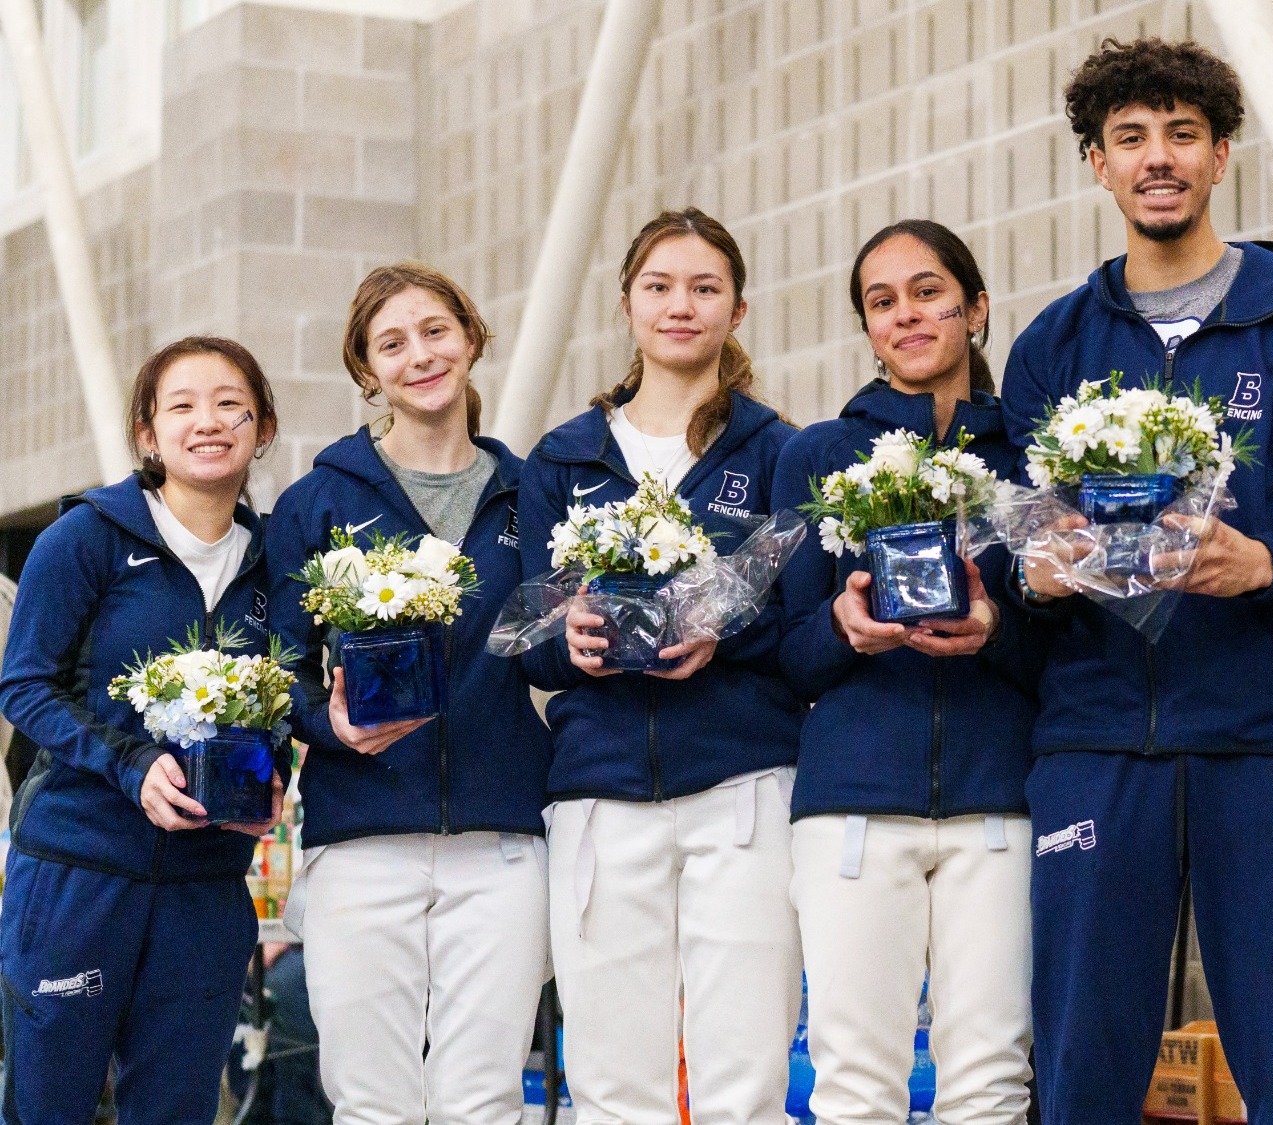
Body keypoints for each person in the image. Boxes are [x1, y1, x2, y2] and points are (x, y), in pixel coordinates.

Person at [1000, 37, 1273, 1125]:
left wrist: (1264, 562)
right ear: (1095, 164)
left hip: (1261, 732)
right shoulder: (1052, 343)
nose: (1155, 158)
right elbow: (1018, 535)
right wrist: (1037, 571)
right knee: (1078, 1067)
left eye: (1178, 135)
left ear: (1219, 155)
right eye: (1129, 139)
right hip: (1093, 737)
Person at [518, 207, 805, 1124]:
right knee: (610, 1086)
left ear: (739, 308)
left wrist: (728, 634)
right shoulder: (565, 457)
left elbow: (798, 621)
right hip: (602, 792)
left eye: (705, 287)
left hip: (743, 784)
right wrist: (575, 642)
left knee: (746, 1077)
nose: (681, 305)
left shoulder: (778, 450)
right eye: (660, 286)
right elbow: (529, 628)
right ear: (628, 305)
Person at [265, 263, 553, 1125]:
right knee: (371, 1101)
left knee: (485, 1097)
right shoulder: (316, 502)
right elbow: (279, 672)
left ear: (471, 338)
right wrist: (331, 724)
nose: (419, 355)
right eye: (392, 343)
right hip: (362, 839)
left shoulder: (531, 494)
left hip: (504, 839)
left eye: (435, 331)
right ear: (367, 371)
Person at [774, 220, 1040, 1125]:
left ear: (976, 307)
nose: (906, 314)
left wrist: (996, 628)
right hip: (852, 805)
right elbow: (784, 648)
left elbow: (1072, 641)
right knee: (854, 1082)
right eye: (881, 302)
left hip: (999, 802)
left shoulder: (1030, 456)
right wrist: (845, 629)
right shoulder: (815, 455)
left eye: (927, 291)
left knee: (992, 1080)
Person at [0, 337, 284, 1124]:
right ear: (149, 435)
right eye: (182, 405)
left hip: (204, 888)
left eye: (231, 402)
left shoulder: (272, 566)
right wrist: (130, 766)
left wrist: (272, 780)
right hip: (78, 874)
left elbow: (282, 703)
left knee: (179, 1110)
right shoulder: (85, 539)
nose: (209, 421)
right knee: (48, 1105)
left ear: (262, 428)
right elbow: (24, 684)